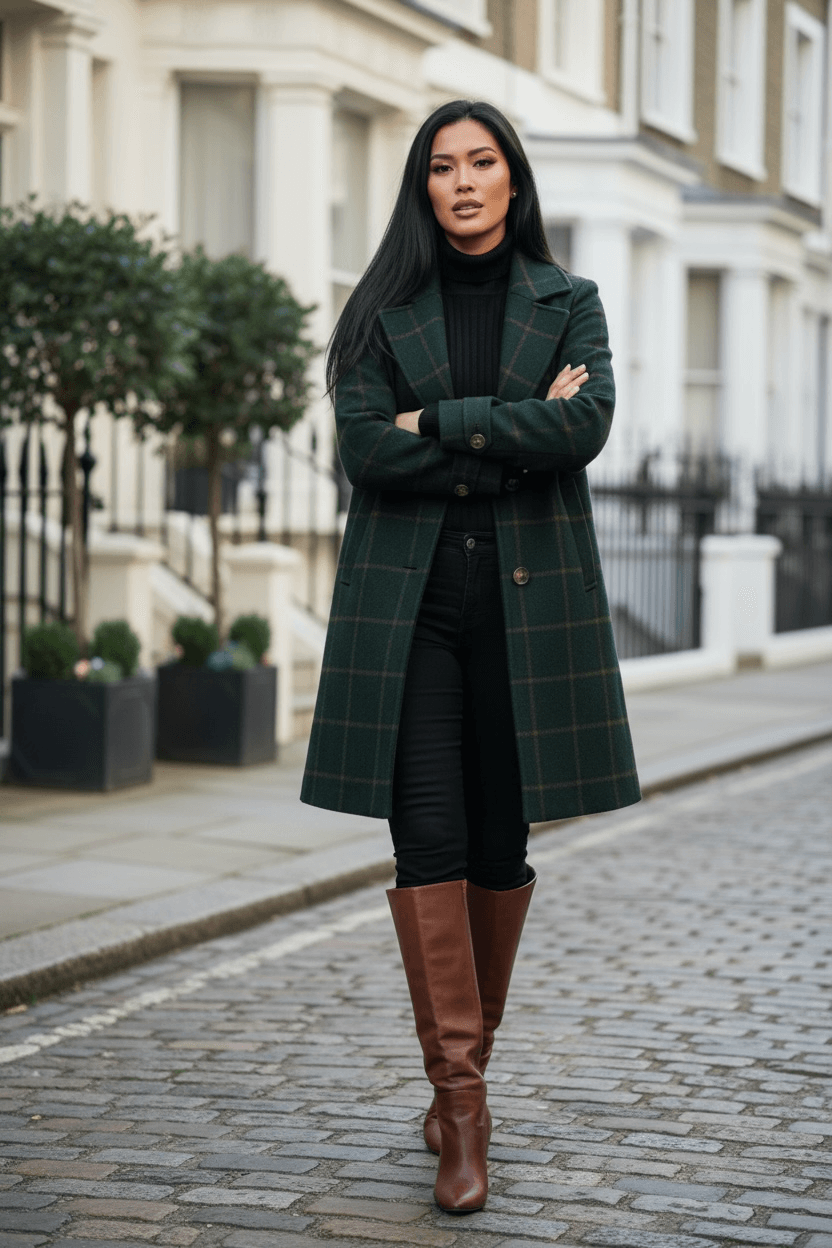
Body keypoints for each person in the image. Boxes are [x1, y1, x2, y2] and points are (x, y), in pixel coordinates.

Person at [301, 99, 640, 1214]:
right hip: (410, 615)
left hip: (527, 614)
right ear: (422, 185)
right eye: (441, 165)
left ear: (511, 179)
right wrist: (503, 428)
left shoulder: (569, 301)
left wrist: (432, 427)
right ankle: (461, 1110)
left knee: (499, 849)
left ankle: (463, 1074)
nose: (461, 182)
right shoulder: (380, 309)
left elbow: (583, 432)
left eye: (480, 162)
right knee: (428, 842)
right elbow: (361, 450)